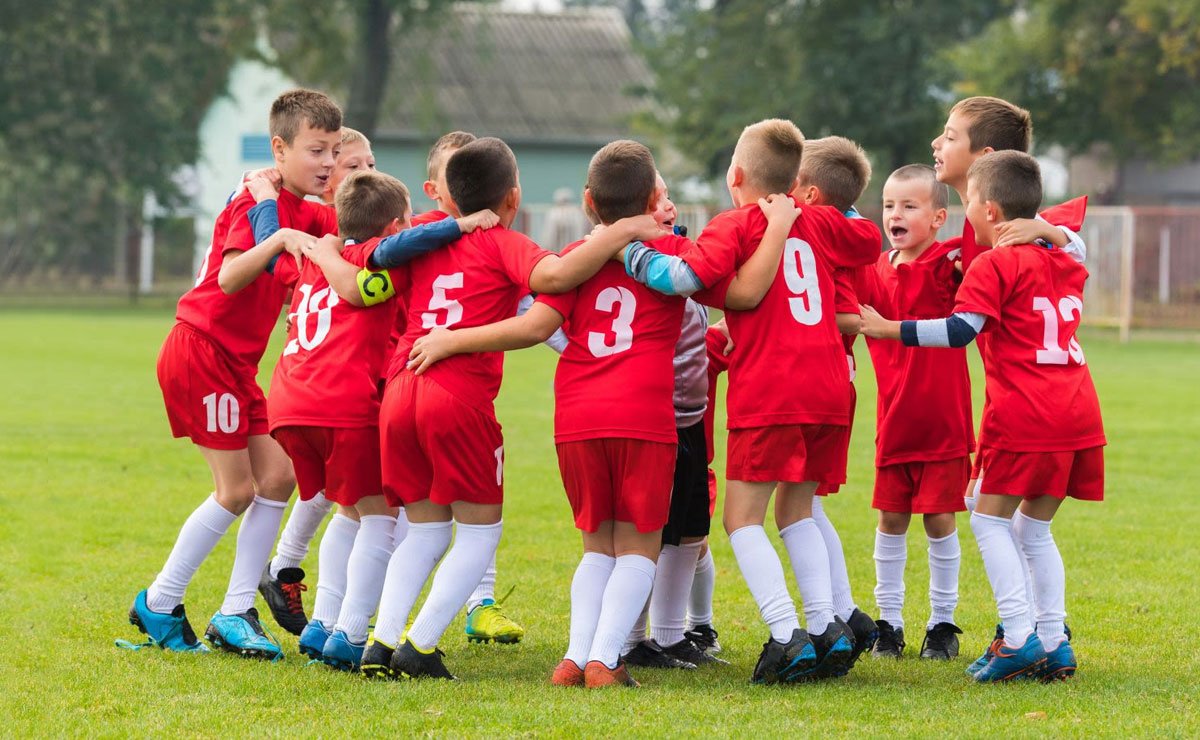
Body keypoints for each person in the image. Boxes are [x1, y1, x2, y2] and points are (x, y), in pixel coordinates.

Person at [405, 142, 797, 687]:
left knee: (596, 547)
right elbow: (745, 292)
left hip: (577, 413)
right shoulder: (672, 259)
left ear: (588, 201)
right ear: (656, 199)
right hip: (643, 414)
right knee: (639, 548)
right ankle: (605, 660)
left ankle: (574, 657)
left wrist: (451, 339)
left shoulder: (574, 264)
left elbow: (540, 326)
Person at [359, 137, 666, 681]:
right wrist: (620, 232)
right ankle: (420, 645)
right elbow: (550, 280)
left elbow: (374, 282)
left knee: (424, 528)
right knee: (479, 532)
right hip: (455, 394)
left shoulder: (422, 237)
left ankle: (379, 643)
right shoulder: (498, 240)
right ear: (514, 197)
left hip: (400, 384)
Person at [621, 119, 883, 683]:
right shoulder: (818, 218)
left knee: (742, 519)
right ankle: (826, 627)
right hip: (832, 383)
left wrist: (632, 253)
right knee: (796, 511)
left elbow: (690, 276)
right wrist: (812, 205)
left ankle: (786, 633)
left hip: (773, 386)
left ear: (735, 176)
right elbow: (867, 238)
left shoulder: (736, 223)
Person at [860, 151, 1104, 683]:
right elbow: (1080, 248)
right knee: (1033, 529)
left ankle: (1018, 637)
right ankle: (1055, 639)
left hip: (1027, 412)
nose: (965, 208)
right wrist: (1050, 231)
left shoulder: (995, 262)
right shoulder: (1065, 258)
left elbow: (958, 331)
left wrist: (889, 329)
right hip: (1079, 411)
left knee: (990, 519)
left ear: (988, 210)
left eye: (967, 199)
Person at [122, 89, 341, 659]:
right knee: (237, 489)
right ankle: (161, 602)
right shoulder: (256, 202)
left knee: (279, 477)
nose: (328, 163)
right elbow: (228, 278)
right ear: (280, 148)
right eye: (317, 150)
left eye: (336, 152)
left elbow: (357, 223)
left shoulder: (305, 206)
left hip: (235, 364)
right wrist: (281, 236)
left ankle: (235, 608)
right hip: (202, 350)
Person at [257, 125, 381, 638]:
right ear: (329, 184)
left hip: (316, 382)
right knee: (373, 508)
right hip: (340, 380)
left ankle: (289, 573)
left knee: (342, 493)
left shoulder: (335, 231)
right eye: (353, 168)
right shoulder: (335, 236)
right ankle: (345, 621)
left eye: (369, 164)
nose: (365, 174)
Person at [854, 164, 972, 660]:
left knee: (940, 520)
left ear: (938, 216)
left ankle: (942, 624)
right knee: (891, 520)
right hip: (894, 424)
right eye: (888, 205)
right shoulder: (874, 271)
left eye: (909, 206)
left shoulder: (952, 264)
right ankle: (889, 624)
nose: (895, 214)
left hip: (944, 424)